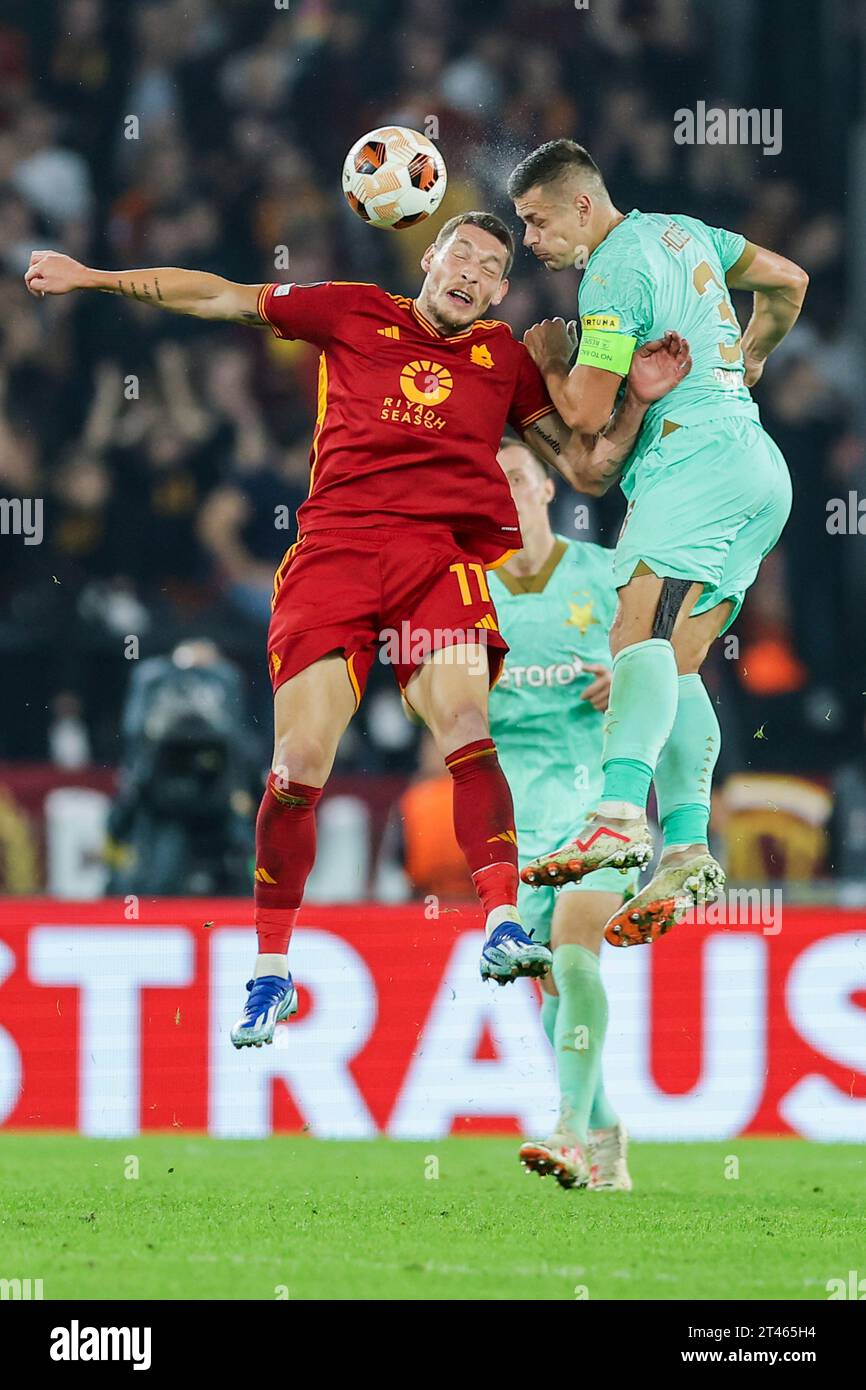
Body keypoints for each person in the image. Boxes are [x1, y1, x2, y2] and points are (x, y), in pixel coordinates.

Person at [25, 211, 690, 1045]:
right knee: (296, 768)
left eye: (493, 268)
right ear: (431, 256)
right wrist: (93, 277)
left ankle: (500, 923)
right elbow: (222, 298)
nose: (475, 273)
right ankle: (271, 970)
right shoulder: (351, 310)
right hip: (334, 556)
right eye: (463, 254)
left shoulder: (503, 360)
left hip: (434, 561)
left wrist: (639, 403)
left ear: (500, 292)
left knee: (467, 728)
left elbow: (588, 463)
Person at [508, 139, 808, 947]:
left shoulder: (611, 273)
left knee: (629, 635)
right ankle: (683, 847)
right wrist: (750, 359)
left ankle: (613, 818)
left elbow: (578, 411)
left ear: (580, 203)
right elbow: (788, 281)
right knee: (672, 669)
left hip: (693, 469)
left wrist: (546, 362)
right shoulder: (683, 231)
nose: (532, 242)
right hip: (756, 472)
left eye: (535, 222)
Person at [489, 441, 634, 1191]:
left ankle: (571, 1133)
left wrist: (629, 678)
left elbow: (660, 664)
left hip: (598, 797)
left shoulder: (601, 573)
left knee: (576, 955)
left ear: (546, 486)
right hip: (510, 815)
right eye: (492, 484)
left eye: (516, 477)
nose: (506, 491)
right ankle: (604, 1125)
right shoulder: (469, 594)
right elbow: (429, 705)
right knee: (546, 979)